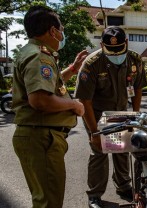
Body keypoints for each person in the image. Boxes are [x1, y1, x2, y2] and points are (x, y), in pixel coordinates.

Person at [12, 6, 86, 208]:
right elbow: (40, 100)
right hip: (42, 138)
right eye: (61, 28)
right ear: (52, 31)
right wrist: (74, 105)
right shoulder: (40, 56)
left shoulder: (33, 52)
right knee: (49, 202)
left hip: (39, 136)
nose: (62, 34)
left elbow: (50, 84)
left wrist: (72, 69)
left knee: (44, 199)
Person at [74, 26, 147, 208]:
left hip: (122, 112)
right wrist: (94, 132)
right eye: (111, 50)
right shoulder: (92, 63)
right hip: (97, 114)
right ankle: (95, 195)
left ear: (126, 43)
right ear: (101, 45)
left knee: (121, 149)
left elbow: (137, 88)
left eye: (118, 49)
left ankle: (123, 186)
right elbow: (85, 100)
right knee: (99, 151)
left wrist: (135, 116)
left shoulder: (134, 60)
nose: (115, 54)